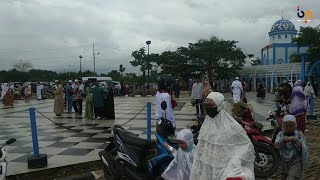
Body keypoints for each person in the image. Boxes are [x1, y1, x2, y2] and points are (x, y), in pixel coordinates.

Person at [190, 92, 255, 180]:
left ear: (219, 106)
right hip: (207, 168)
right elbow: (202, 146)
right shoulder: (206, 124)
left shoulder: (232, 125)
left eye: (211, 105)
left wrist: (235, 162)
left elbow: (246, 146)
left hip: (224, 169)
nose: (207, 108)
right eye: (206, 105)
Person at [275, 115, 308, 180]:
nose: (289, 128)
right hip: (284, 161)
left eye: (291, 126)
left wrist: (295, 142)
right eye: (286, 126)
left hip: (296, 160)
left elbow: (303, 148)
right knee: (284, 176)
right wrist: (283, 141)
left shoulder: (298, 135)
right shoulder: (281, 134)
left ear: (295, 125)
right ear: (283, 126)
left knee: (291, 177)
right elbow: (276, 145)